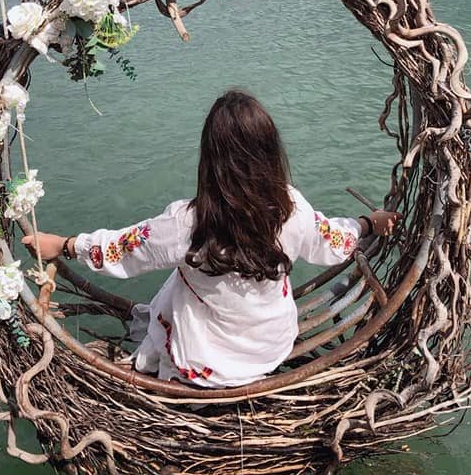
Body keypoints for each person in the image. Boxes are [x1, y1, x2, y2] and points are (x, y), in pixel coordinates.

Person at [24, 89, 400, 388]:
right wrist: (368, 223)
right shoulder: (292, 208)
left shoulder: (187, 222)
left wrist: (65, 245)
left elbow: (123, 250)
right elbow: (334, 242)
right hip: (269, 345)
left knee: (179, 283)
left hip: (207, 359)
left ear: (211, 157)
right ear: (271, 152)